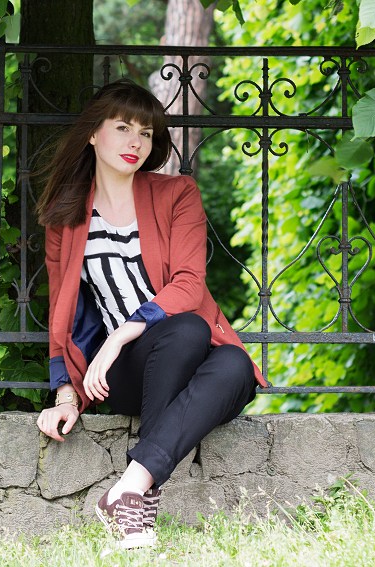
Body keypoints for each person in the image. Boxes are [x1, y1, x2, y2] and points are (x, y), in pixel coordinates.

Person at [35, 79, 267, 549]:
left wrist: (121, 333)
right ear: (93, 134)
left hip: (174, 348)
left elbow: (189, 283)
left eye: (145, 132)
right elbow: (63, 309)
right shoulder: (66, 215)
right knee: (185, 330)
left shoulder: (177, 193)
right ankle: (135, 495)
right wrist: (65, 395)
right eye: (122, 128)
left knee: (235, 363)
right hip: (122, 373)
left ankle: (130, 489)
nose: (136, 142)